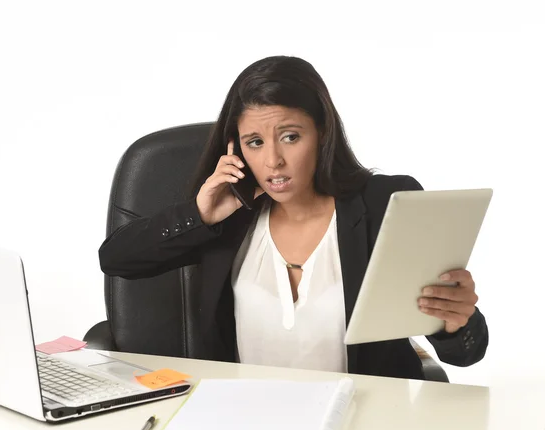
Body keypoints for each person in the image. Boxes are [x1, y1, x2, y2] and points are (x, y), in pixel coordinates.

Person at [98, 56, 488, 380]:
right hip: (247, 426)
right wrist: (200, 214)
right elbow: (116, 260)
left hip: (366, 427)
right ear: (236, 149)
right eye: (255, 143)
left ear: (321, 132)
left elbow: (463, 354)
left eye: (290, 136)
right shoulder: (232, 217)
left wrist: (457, 320)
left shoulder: (386, 203)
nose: (273, 161)